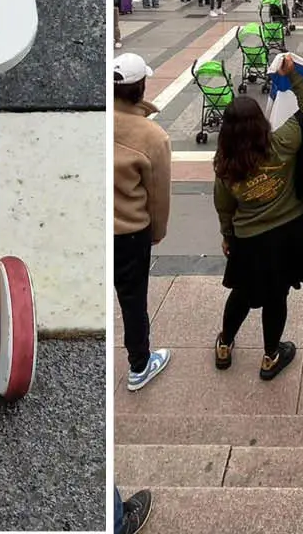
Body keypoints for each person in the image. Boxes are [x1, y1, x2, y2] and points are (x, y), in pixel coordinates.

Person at [213, 52, 303, 381]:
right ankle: (271, 356)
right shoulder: (282, 143)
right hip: (288, 232)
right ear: (260, 122)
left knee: (242, 293)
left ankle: (225, 345)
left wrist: (227, 236)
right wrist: (294, 75)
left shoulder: (225, 167)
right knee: (277, 297)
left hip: (249, 240)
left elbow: (224, 207)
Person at [113, 52, 172, 392]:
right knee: (133, 299)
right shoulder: (152, 137)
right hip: (131, 232)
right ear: (141, 89)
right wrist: (157, 232)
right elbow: (158, 195)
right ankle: (139, 365)